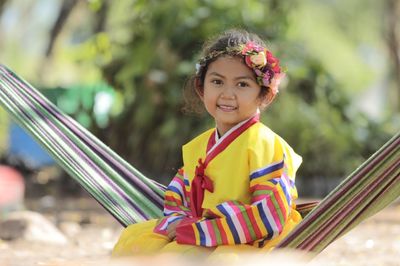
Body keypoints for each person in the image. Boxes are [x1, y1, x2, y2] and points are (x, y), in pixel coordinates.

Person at [112, 29, 302, 257]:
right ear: (202, 89)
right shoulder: (198, 146)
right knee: (135, 241)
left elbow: (269, 215)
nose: (227, 94)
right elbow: (177, 196)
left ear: (265, 95)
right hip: (201, 233)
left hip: (251, 240)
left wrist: (201, 229)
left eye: (242, 85)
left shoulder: (265, 144)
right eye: (217, 82)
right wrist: (181, 222)